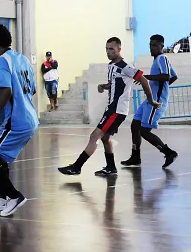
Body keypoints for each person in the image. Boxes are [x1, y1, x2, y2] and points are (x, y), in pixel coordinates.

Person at [58, 37, 161, 177]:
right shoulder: (111, 65)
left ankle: (77, 167)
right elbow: (116, 84)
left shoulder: (125, 66)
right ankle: (111, 167)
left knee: (95, 135)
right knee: (105, 138)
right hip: (112, 108)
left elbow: (144, 81)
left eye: (111, 49)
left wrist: (151, 101)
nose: (108, 52)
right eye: (106, 49)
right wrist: (104, 86)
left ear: (119, 49)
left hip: (117, 110)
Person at [0, 24, 38, 217]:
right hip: (30, 117)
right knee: (0, 158)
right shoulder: (22, 59)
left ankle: (14, 196)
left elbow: (7, 90)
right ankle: (3, 198)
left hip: (18, 120)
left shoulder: (2, 60)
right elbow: (33, 89)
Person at [121, 34, 178, 168]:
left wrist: (145, 78)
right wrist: (160, 86)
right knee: (135, 125)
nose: (152, 48)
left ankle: (169, 152)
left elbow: (166, 76)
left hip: (156, 102)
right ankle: (135, 156)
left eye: (155, 45)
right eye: (151, 45)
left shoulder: (162, 58)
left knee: (144, 131)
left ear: (161, 46)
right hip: (149, 99)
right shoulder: (158, 60)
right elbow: (173, 77)